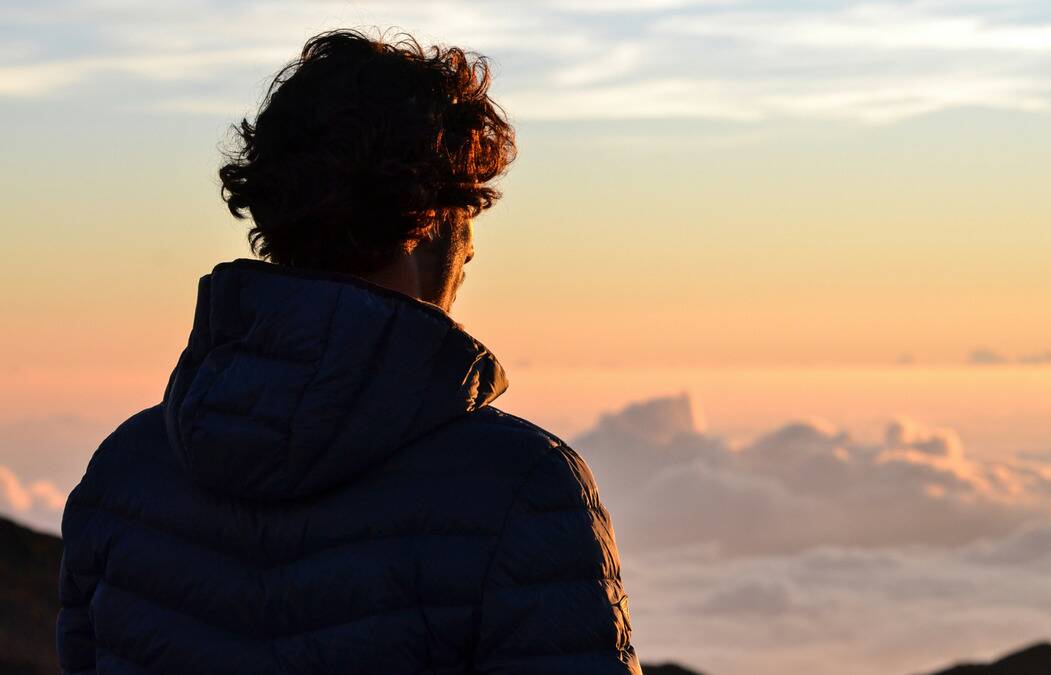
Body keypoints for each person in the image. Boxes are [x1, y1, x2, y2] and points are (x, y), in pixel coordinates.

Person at [57, 29, 640, 675]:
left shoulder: (126, 472)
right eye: (469, 218)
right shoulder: (522, 485)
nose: (471, 257)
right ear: (432, 220)